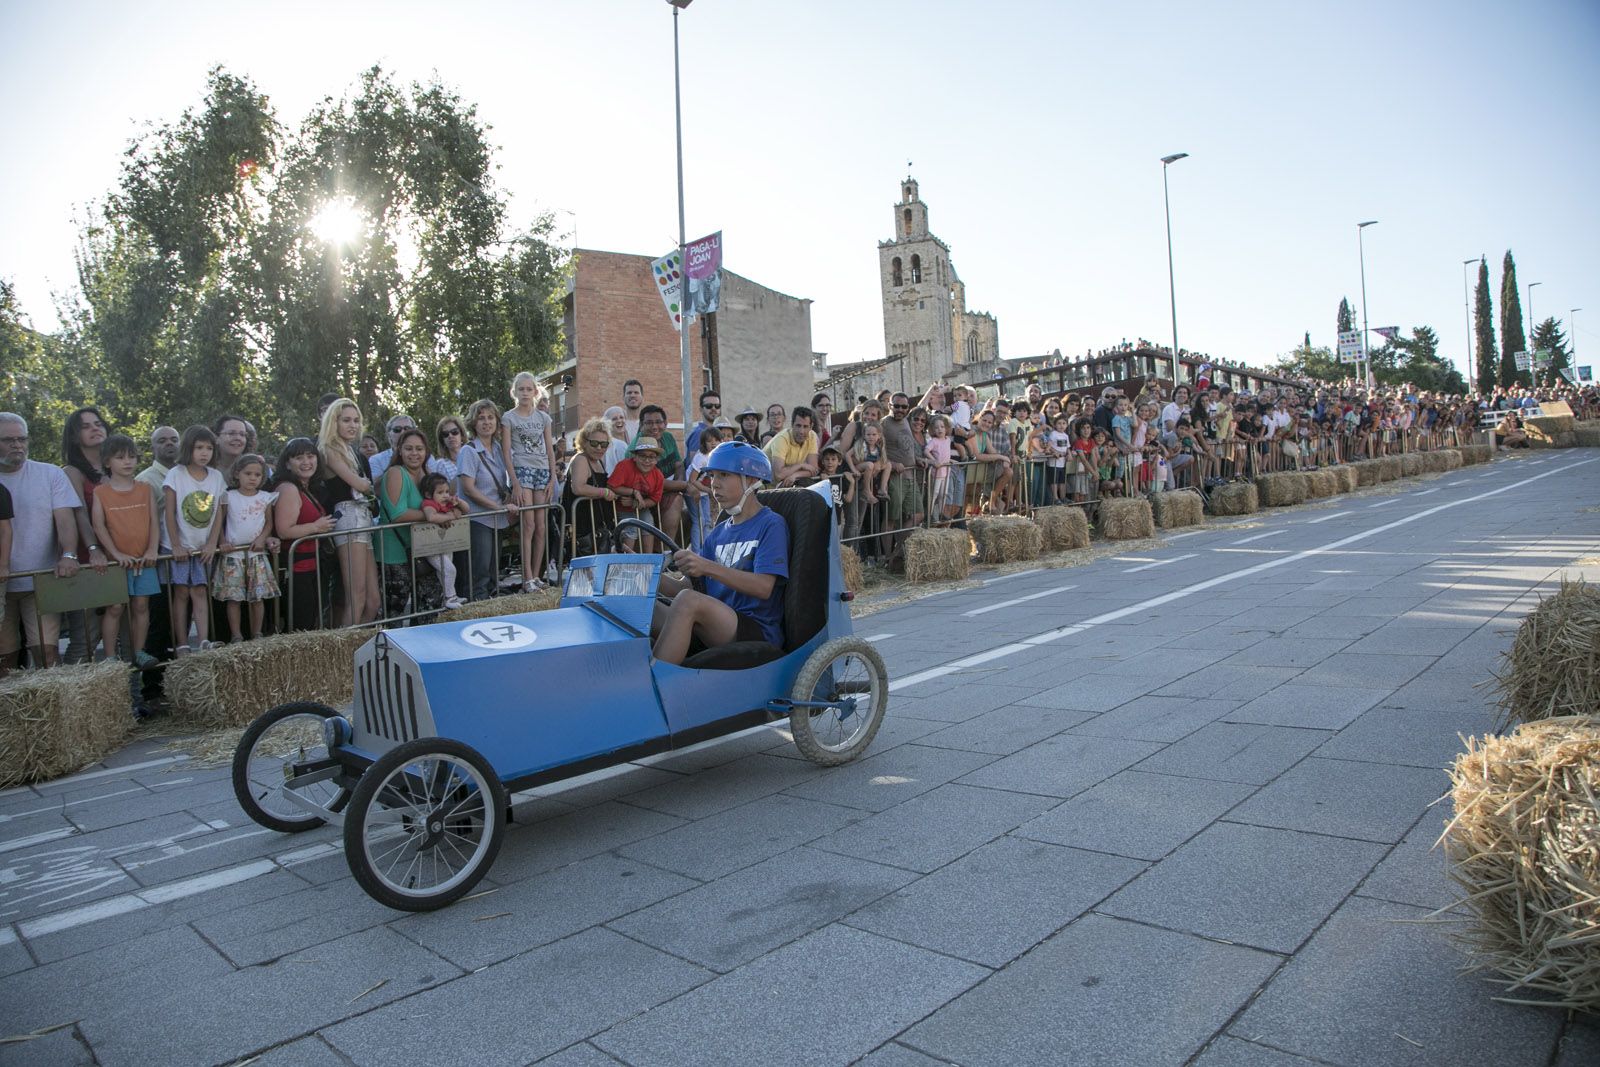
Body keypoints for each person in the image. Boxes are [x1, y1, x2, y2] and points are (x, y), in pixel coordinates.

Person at [651, 441, 787, 666]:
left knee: (688, 602)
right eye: (712, 476)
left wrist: (706, 566)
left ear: (751, 480)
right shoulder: (718, 533)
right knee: (651, 608)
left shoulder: (771, 524)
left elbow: (764, 587)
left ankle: (652, 683)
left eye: (724, 475)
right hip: (716, 623)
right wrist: (645, 574)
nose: (714, 484)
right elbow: (687, 587)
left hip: (755, 628)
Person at [88, 435, 159, 668]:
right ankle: (109, 656)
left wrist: (151, 549)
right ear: (108, 462)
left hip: (143, 560)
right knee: (115, 607)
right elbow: (98, 525)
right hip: (116, 563)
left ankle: (138, 651)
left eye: (131, 456)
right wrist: (116, 554)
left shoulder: (145, 488)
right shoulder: (101, 492)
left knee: (141, 605)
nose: (127, 462)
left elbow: (153, 522)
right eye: (120, 458)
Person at [163, 425, 227, 653]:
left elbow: (219, 511)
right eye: (199, 447)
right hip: (180, 545)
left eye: (209, 448)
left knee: (199, 590)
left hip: (203, 546)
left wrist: (212, 543)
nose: (204, 453)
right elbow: (169, 512)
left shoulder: (217, 477)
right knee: (181, 592)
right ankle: (181, 642)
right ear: (189, 448)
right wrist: (176, 544)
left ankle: (203, 639)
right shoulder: (176, 474)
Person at [317, 399, 380, 625]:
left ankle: (357, 647)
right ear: (334, 421)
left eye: (356, 420)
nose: (352, 425)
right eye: (346, 420)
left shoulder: (352, 451)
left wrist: (367, 486)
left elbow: (366, 487)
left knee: (373, 601)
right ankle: (344, 652)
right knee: (357, 596)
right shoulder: (328, 449)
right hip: (347, 517)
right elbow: (363, 485)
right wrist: (366, 485)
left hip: (363, 516)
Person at [377, 428, 447, 619]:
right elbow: (397, 514)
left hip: (422, 550)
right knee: (394, 613)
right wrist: (433, 516)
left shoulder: (427, 475)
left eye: (419, 449)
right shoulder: (395, 473)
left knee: (429, 607)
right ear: (399, 450)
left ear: (426, 452)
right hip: (395, 553)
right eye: (409, 449)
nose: (414, 453)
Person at [213, 453, 281, 642]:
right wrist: (222, 541)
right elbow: (220, 521)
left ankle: (257, 632)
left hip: (255, 553)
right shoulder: (228, 496)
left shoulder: (266, 497)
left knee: (257, 597)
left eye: (257, 475)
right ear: (237, 474)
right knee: (234, 598)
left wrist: (262, 538)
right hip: (233, 555)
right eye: (248, 473)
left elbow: (269, 522)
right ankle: (236, 634)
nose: (252, 478)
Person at [271, 438, 336, 632]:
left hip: (312, 566)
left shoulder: (307, 488)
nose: (306, 462)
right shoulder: (288, 489)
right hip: (296, 570)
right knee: (300, 626)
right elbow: (284, 530)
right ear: (287, 463)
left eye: (310, 456)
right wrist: (316, 527)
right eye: (299, 458)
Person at [456, 399, 515, 600]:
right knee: (478, 571)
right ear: (473, 423)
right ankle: (476, 610)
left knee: (492, 570)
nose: (486, 422)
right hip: (478, 518)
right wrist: (497, 507)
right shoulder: (469, 451)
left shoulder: (499, 449)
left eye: (490, 418)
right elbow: (469, 489)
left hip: (496, 519)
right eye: (481, 418)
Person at [502, 372, 555, 591]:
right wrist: (514, 481)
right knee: (529, 524)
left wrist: (553, 477)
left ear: (535, 391)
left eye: (528, 389)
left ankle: (537, 575)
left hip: (542, 471)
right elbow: (507, 452)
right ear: (515, 392)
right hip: (522, 470)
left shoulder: (543, 418)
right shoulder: (509, 417)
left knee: (542, 526)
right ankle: (527, 577)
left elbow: (549, 449)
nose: (525, 393)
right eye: (521, 389)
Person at [563, 416, 622, 557]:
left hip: (598, 525)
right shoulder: (581, 459)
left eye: (604, 444)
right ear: (584, 441)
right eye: (594, 443)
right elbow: (578, 487)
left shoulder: (598, 462)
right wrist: (605, 493)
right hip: (583, 526)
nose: (599, 448)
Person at [418, 473, 468, 610]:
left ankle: (449, 595)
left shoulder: (447, 504)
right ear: (428, 494)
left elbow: (465, 510)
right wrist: (449, 516)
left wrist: (458, 503)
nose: (445, 495)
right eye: (440, 492)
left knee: (445, 571)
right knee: (450, 570)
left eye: (447, 492)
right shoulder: (428, 504)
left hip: (446, 543)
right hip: (432, 545)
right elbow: (431, 516)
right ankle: (449, 597)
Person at [608, 436, 665, 550]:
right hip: (621, 508)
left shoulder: (658, 475)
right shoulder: (624, 466)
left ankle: (648, 561)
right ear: (635, 457)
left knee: (649, 525)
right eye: (642, 456)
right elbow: (611, 486)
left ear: (656, 459)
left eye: (651, 457)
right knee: (630, 528)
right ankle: (627, 562)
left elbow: (655, 499)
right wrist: (634, 491)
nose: (647, 460)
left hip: (640, 507)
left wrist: (638, 503)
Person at [763, 405, 820, 487]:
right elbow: (779, 475)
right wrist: (801, 465)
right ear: (792, 424)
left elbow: (813, 469)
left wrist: (795, 475)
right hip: (766, 487)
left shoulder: (812, 436)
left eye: (805, 426)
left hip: (786, 482)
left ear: (811, 427)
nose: (801, 431)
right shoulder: (781, 439)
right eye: (798, 425)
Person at [211, 414, 250, 483]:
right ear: (216, 438)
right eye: (231, 433)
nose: (238, 438)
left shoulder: (252, 468)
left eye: (242, 434)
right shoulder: (203, 467)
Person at [684, 390, 721, 457]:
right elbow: (695, 464)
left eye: (717, 406)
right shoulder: (699, 433)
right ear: (701, 409)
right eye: (709, 406)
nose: (713, 408)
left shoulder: (718, 431)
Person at [601, 406, 631, 474]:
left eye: (621, 417)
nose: (619, 421)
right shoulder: (619, 444)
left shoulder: (625, 440)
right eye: (614, 419)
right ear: (607, 423)